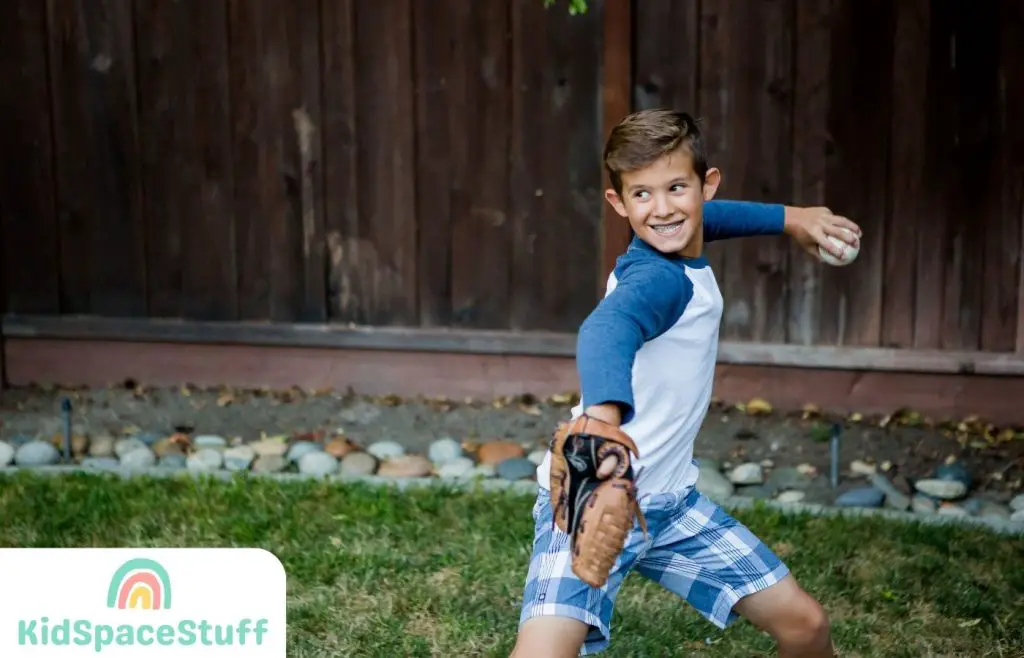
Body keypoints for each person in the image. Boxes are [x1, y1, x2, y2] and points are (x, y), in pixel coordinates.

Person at [511, 108, 859, 658]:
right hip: (593, 502)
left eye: (677, 188)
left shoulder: (681, 236)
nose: (663, 208)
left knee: (806, 626)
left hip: (671, 507)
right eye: (642, 196)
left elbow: (701, 222)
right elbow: (609, 324)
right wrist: (601, 417)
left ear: (707, 186)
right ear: (618, 205)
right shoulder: (657, 280)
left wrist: (792, 218)